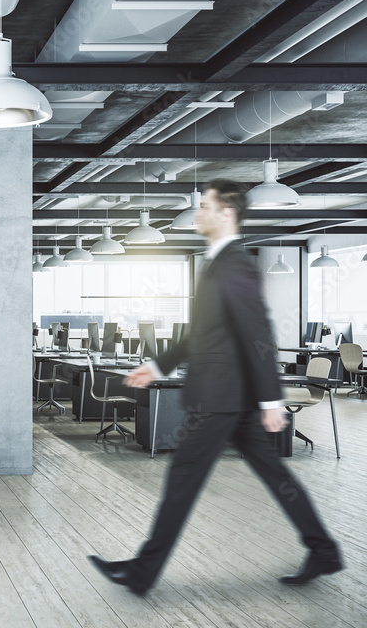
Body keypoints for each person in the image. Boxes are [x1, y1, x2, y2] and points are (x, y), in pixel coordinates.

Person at [88, 179, 342, 596]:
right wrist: (157, 365)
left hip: (221, 399)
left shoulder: (234, 264)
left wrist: (272, 398)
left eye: (205, 204)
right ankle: (324, 550)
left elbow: (258, 332)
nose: (199, 211)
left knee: (183, 478)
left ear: (226, 213)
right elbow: (202, 335)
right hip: (231, 398)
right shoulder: (216, 263)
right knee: (272, 473)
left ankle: (142, 572)